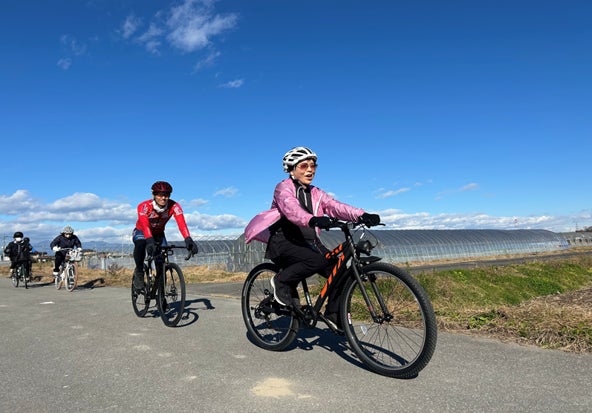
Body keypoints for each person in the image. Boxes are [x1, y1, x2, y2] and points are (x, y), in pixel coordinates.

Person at [244, 146, 380, 333]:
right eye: (304, 166)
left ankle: (333, 314)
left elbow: (334, 206)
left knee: (340, 272)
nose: (310, 169)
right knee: (316, 260)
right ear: (292, 169)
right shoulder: (283, 188)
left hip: (310, 242)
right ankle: (281, 281)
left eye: (313, 165)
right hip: (284, 241)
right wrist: (312, 219)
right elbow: (291, 209)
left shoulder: (316, 192)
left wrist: (362, 215)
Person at [132, 181, 199, 289]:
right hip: (142, 231)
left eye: (166, 195)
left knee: (161, 265)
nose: (163, 198)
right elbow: (145, 225)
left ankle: (161, 296)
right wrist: (149, 240)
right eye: (160, 195)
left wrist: (188, 238)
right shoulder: (144, 206)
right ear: (154, 195)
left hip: (159, 233)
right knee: (140, 244)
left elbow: (182, 224)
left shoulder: (174, 206)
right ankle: (139, 271)